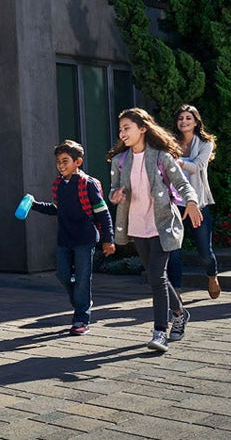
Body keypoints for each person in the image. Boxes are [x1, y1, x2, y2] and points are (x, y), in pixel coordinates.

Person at [107, 108, 203, 352]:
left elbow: (182, 183)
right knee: (156, 276)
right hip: (138, 227)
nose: (122, 132)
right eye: (120, 129)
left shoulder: (161, 156)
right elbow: (113, 190)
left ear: (142, 129)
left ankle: (160, 331)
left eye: (127, 127)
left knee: (157, 277)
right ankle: (180, 312)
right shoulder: (120, 161)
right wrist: (116, 195)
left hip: (162, 225)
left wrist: (191, 202)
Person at [29, 140, 115, 336]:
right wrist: (34, 204)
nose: (60, 165)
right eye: (58, 161)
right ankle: (82, 301)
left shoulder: (88, 184)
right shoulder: (58, 185)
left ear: (78, 162)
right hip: (65, 239)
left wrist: (108, 239)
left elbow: (103, 213)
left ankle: (81, 319)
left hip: (85, 239)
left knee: (83, 280)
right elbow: (55, 209)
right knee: (62, 275)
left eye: (65, 161)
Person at [167, 105, 221, 299]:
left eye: (188, 118)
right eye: (181, 118)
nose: (184, 121)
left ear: (196, 121)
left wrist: (178, 162)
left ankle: (212, 276)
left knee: (204, 252)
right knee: (173, 250)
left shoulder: (205, 143)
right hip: (174, 204)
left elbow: (197, 167)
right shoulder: (170, 143)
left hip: (198, 204)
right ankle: (177, 291)